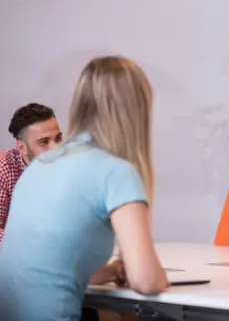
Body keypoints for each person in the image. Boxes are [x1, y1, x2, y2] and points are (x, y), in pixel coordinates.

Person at [0, 56, 169, 321]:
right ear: (138, 110)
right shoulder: (116, 171)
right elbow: (147, 282)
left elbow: (56, 265)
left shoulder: (41, 165)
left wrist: (113, 269)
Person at [0, 103, 62, 244]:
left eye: (58, 138)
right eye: (44, 142)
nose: (56, 148)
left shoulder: (69, 165)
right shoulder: (3, 169)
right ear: (22, 148)